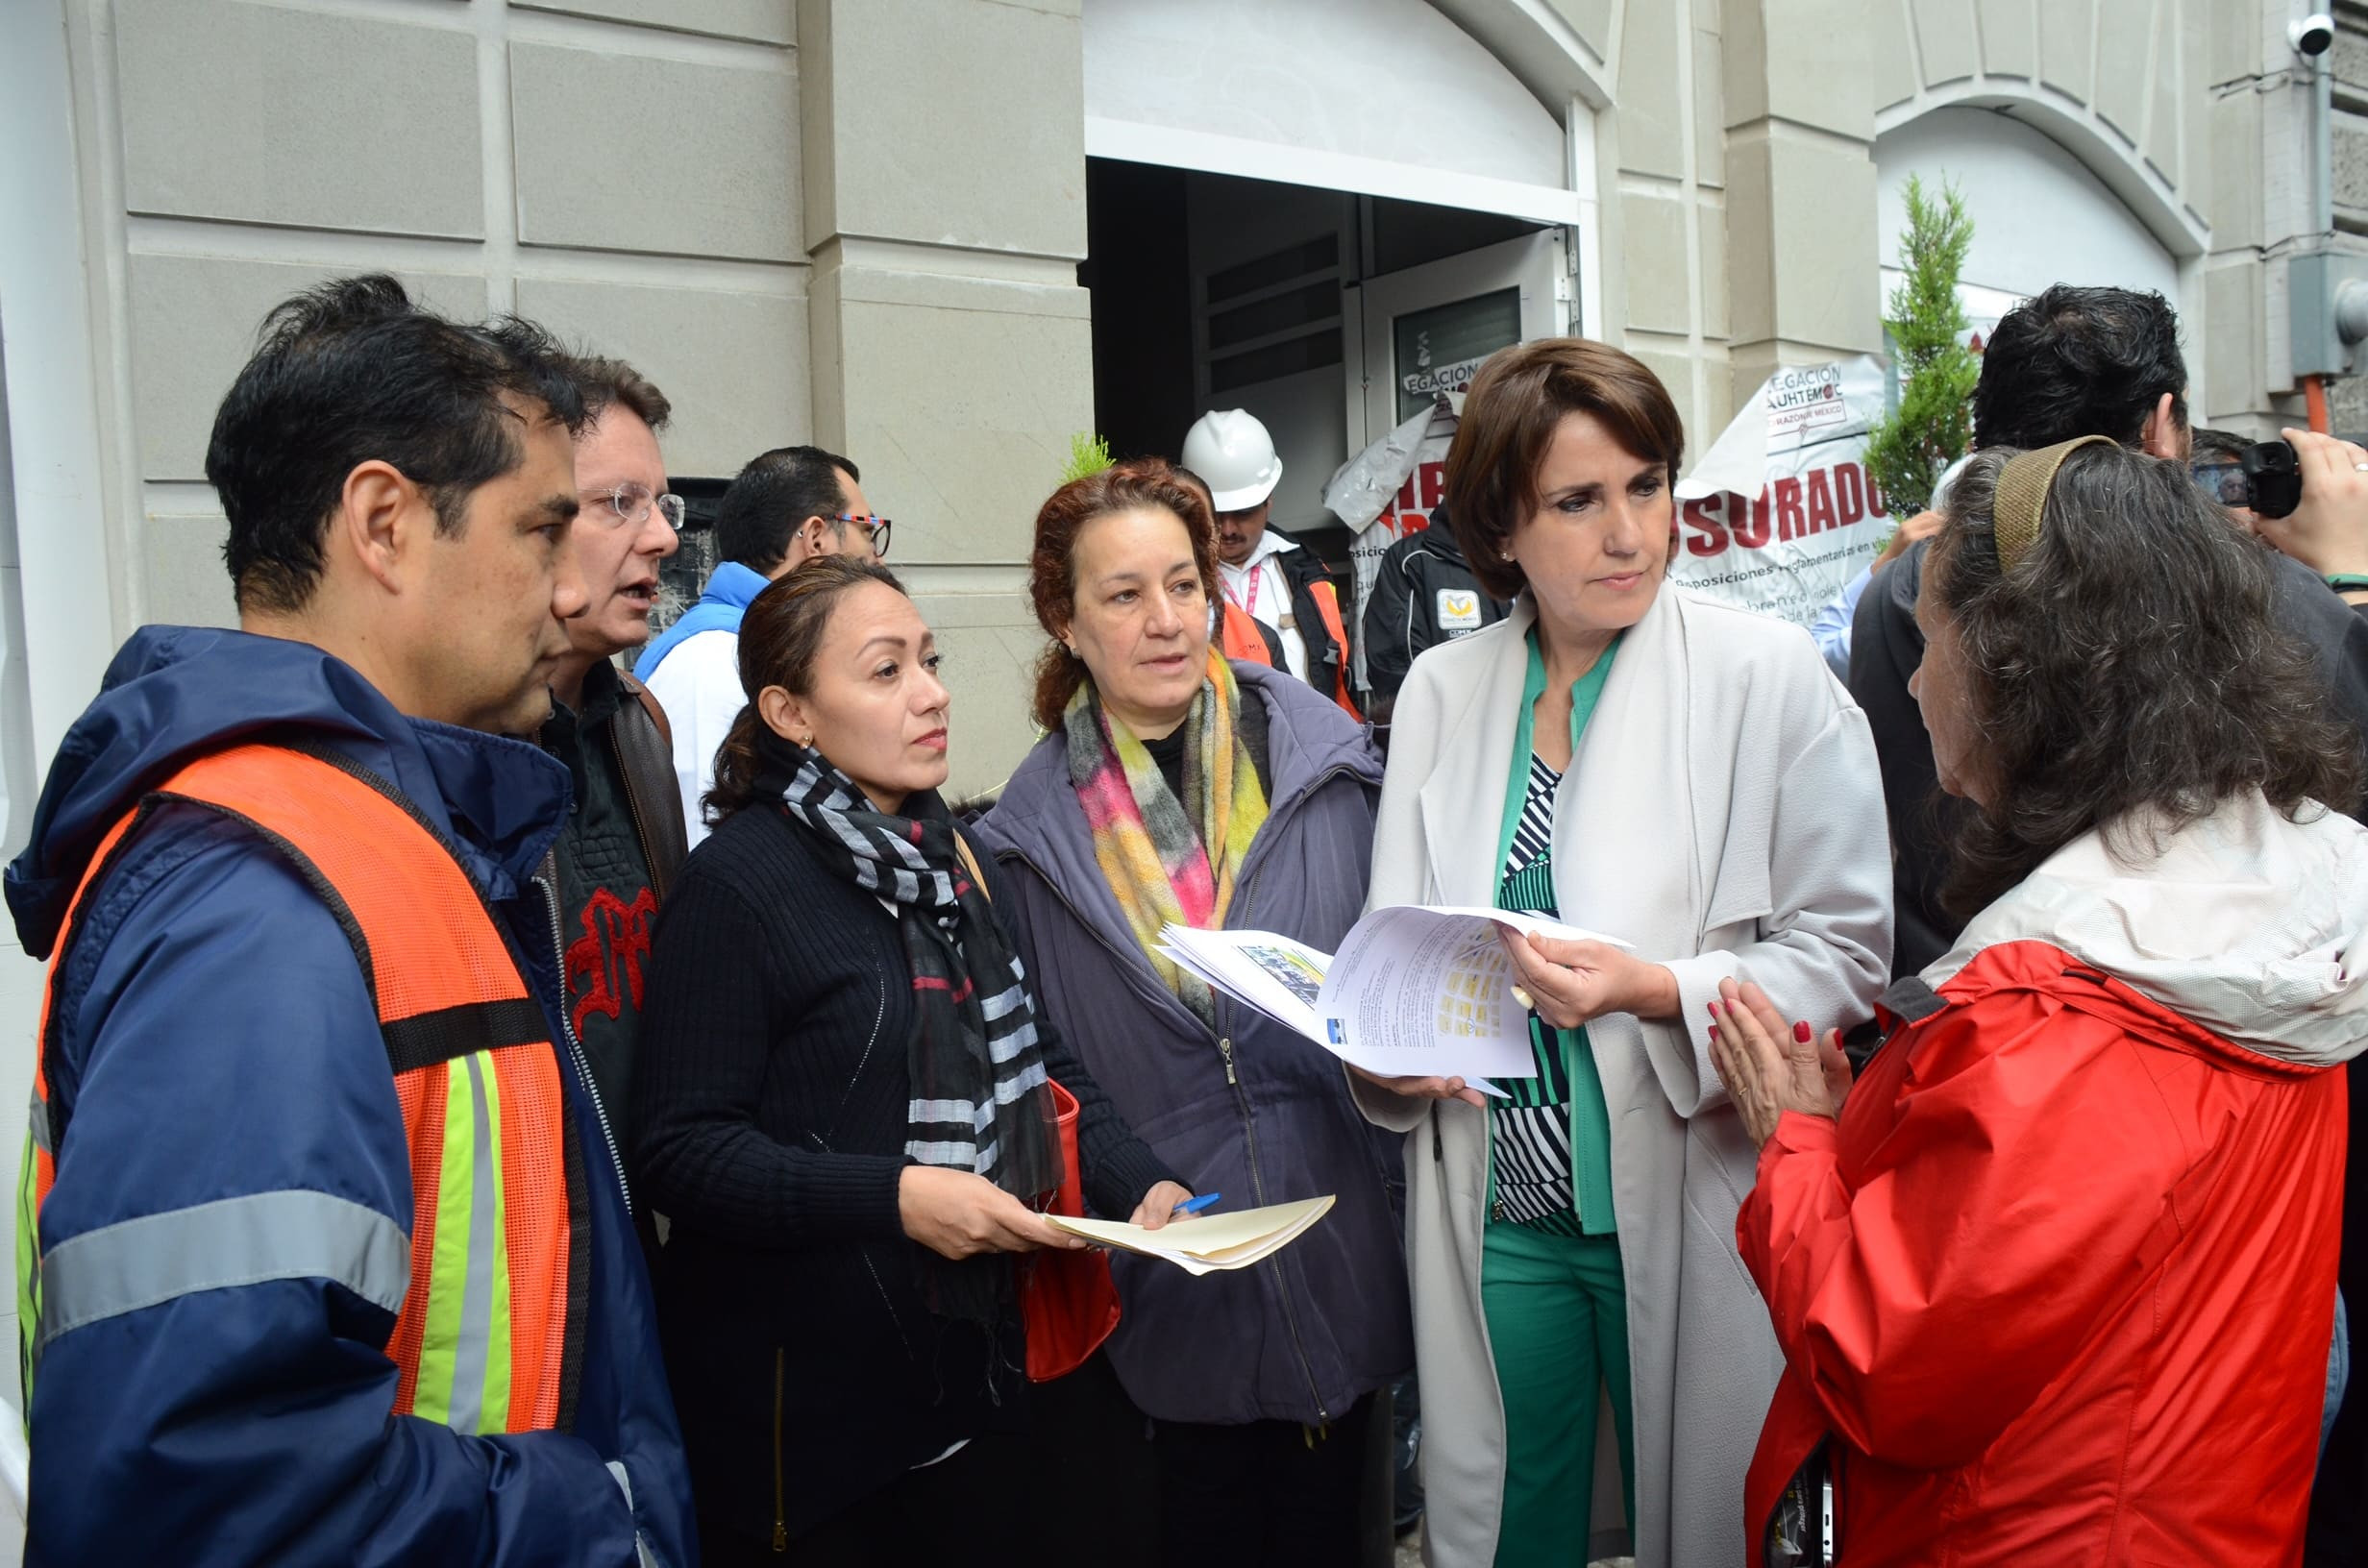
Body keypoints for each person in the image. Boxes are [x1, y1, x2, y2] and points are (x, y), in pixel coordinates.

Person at [5, 275, 691, 1563]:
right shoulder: (252, 905)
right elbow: (208, 1493)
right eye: (542, 533)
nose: (565, 590)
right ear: (383, 524)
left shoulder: (371, 847)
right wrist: (590, 1510)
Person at [1714, 436, 2368, 1566]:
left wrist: (1798, 1147)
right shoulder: (2265, 907)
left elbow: (1890, 1360)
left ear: (2024, 667)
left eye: (1932, 641)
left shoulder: (2060, 1014)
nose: (1915, 683)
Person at [1348, 337, 1891, 1567]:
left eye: (1646, 486)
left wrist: (1660, 989)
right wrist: (1381, 1059)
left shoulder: (1769, 677)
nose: (1629, 532)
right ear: (1500, 525)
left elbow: (1848, 945)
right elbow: (1402, 948)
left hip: (1691, 1187)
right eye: (1578, 502)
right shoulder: (1440, 690)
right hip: (1498, 1210)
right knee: (1506, 1527)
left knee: (1694, 1521)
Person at [631, 553, 1191, 1565]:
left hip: (977, 1375)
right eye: (886, 672)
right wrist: (895, 1196)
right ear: (791, 713)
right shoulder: (738, 890)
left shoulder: (954, 855)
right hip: (815, 1426)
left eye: (928, 662)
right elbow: (681, 1151)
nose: (932, 693)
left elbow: (1040, 1051)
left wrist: (1139, 1179)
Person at [973, 459, 1415, 1566]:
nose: (1166, 621)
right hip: (1165, 1290)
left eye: (1184, 583)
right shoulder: (1020, 848)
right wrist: (1128, 1182)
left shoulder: (1335, 768)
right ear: (1065, 621)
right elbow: (1038, 1064)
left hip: (1338, 1248)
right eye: (1124, 596)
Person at [1849, 283, 2368, 981]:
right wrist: (2349, 584)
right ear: (2160, 430)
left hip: (1952, 998)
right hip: (2206, 1034)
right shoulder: (2250, 596)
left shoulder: (1896, 592)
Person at [536, 356, 691, 1186]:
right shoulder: (450, 758)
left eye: (659, 504)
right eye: (618, 504)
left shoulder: (641, 727)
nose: (665, 535)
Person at [635, 444, 878, 845]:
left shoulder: (757, 650)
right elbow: (709, 852)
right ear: (816, 538)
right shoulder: (711, 664)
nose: (876, 559)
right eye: (866, 531)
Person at [1184, 408, 1361, 717]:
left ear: (1268, 501)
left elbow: (1334, 674)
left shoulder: (1306, 570)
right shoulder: (1178, 580)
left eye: (1242, 513)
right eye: (1215, 514)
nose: (1227, 529)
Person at [1358, 500, 1508, 718]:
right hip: (1448, 728)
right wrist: (1428, 724)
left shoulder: (1532, 555)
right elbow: (1394, 658)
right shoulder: (1413, 559)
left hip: (1532, 723)